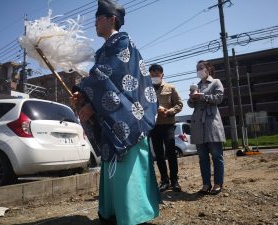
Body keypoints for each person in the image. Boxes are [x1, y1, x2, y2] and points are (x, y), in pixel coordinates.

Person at [70, 0, 160, 224]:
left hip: (128, 119)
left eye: (99, 18)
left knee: (128, 169)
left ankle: (132, 215)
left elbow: (119, 83)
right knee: (113, 169)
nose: (95, 23)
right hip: (112, 119)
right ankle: (112, 212)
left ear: (112, 19)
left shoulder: (123, 44)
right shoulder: (105, 51)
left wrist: (93, 102)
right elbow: (102, 81)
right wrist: (84, 96)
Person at [187, 60, 226, 195]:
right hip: (198, 124)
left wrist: (202, 96)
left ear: (208, 68)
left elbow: (219, 98)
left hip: (211, 122)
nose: (199, 70)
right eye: (197, 68)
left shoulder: (216, 82)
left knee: (216, 155)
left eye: (201, 68)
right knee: (202, 157)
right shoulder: (196, 85)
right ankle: (206, 184)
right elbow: (191, 105)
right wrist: (192, 98)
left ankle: (218, 183)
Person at [149, 64, 183, 192]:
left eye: (157, 74)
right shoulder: (147, 90)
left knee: (171, 152)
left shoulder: (171, 88)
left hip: (168, 124)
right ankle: (164, 181)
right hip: (153, 126)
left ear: (162, 74)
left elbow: (179, 104)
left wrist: (168, 112)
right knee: (158, 154)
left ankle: (174, 180)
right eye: (152, 75)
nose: (154, 76)